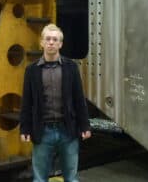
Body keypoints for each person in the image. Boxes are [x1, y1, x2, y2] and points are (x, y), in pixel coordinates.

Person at [20, 23, 91, 182]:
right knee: (39, 178)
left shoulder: (71, 68)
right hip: (42, 131)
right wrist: (25, 128)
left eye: (55, 39)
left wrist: (85, 126)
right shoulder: (31, 71)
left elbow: (79, 99)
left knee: (71, 178)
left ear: (60, 44)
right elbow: (27, 102)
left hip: (68, 130)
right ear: (42, 42)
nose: (51, 42)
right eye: (48, 39)